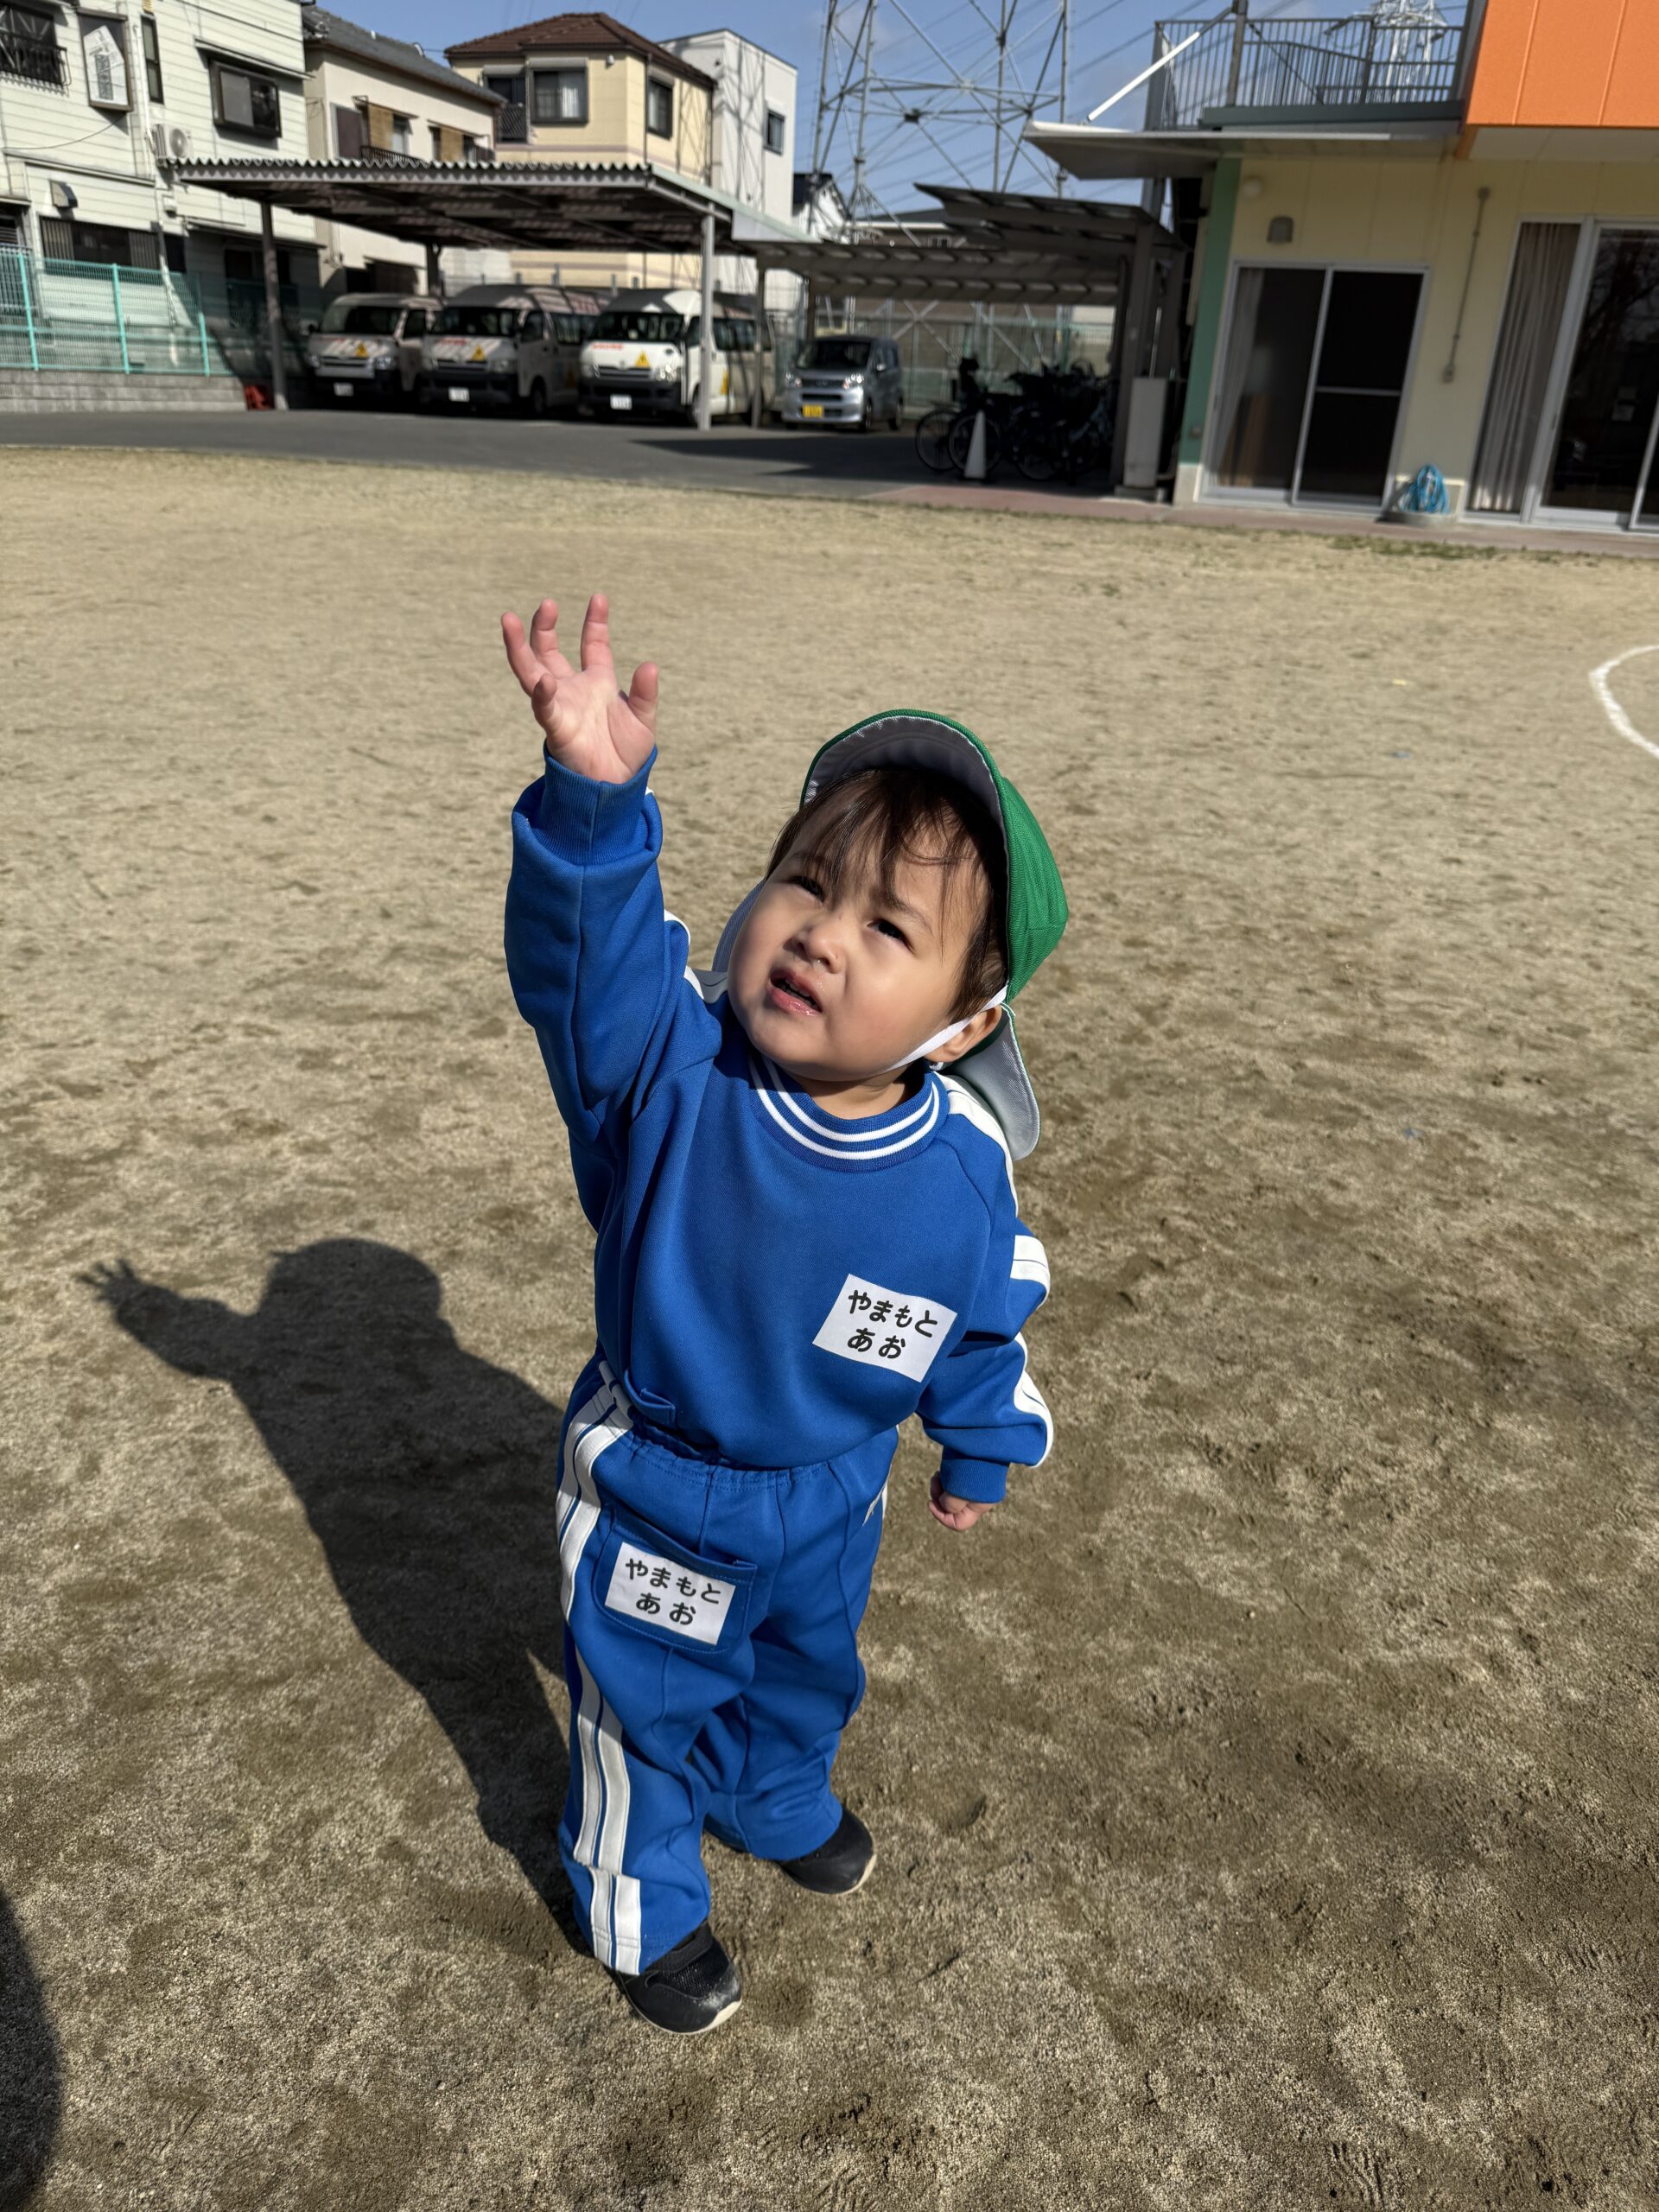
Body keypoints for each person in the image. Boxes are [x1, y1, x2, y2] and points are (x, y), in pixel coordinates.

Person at [501, 591, 1068, 2035]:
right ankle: (640, 1899)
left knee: (808, 1664)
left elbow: (979, 1317)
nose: (820, 936)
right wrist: (593, 806)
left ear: (966, 1023)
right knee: (647, 1701)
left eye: (888, 926)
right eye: (803, 883)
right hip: (665, 1490)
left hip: (835, 1487)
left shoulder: (959, 1168)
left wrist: (980, 1443)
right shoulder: (668, 1072)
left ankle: (774, 1790)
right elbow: (586, 969)